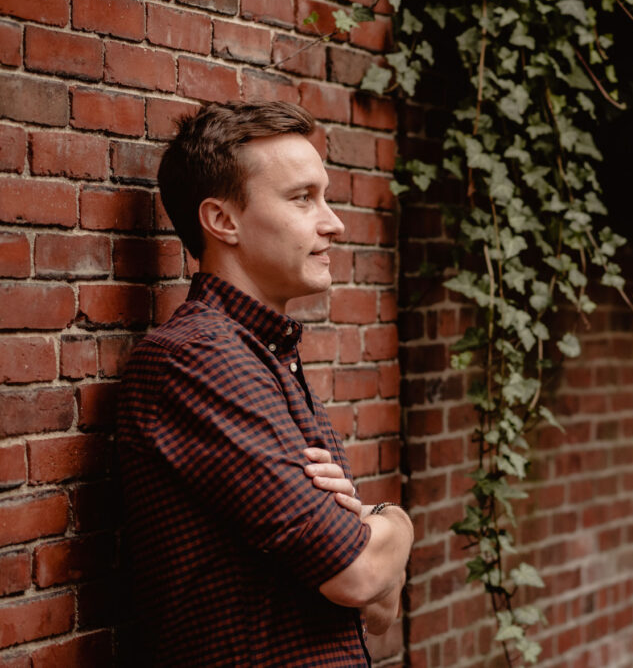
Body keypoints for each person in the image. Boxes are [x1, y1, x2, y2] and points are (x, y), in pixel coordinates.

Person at [116, 100, 413, 667]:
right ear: (222, 221)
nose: (334, 222)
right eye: (303, 198)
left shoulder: (268, 356)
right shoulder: (198, 359)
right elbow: (358, 577)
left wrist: (365, 542)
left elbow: (380, 613)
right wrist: (394, 524)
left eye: (324, 195)